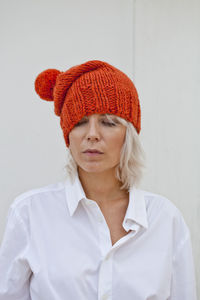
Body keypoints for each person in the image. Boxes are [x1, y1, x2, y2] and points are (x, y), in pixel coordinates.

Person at [0, 60, 197, 300]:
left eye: (108, 122)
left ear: (129, 134)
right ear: (67, 134)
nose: (92, 135)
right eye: (80, 122)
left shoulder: (165, 219)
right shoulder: (29, 213)